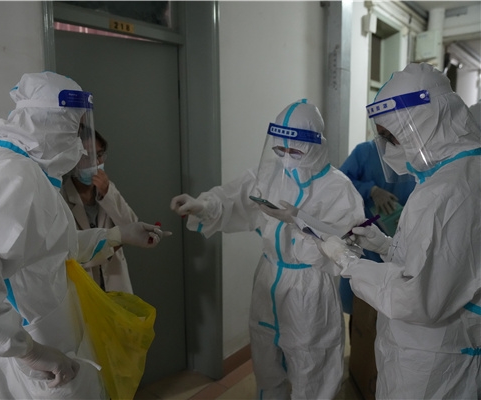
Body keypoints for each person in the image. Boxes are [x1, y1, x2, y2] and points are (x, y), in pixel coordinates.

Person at [0, 71, 170, 399]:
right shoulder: (18, 178)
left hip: (26, 349)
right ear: (52, 123)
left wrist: (115, 235)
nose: (78, 143)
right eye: (74, 128)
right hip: (34, 363)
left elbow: (49, 248)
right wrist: (30, 353)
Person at [170, 100, 364, 399]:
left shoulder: (337, 188)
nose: (286, 158)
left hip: (309, 288)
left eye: (295, 151)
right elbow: (234, 198)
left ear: (315, 146)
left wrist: (299, 221)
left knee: (311, 368)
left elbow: (345, 248)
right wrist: (203, 205)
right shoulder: (269, 174)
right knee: (265, 363)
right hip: (269, 278)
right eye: (279, 149)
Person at [317, 62, 481, 399]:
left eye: (392, 136)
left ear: (424, 122)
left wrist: (350, 264)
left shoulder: (450, 190)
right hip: (420, 350)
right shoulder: (446, 173)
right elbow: (434, 261)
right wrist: (385, 245)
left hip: (433, 363)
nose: (388, 147)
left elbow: (418, 298)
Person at [338, 139, 415, 314]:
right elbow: (341, 182)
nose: (386, 137)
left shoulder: (417, 155)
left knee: (398, 303)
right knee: (365, 308)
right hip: (368, 242)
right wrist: (371, 190)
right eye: (382, 133)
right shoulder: (365, 152)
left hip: (406, 242)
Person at [61, 130, 138, 293]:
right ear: (73, 160)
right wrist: (110, 245)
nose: (96, 162)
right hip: (83, 291)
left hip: (116, 286)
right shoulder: (61, 197)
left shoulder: (108, 189)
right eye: (88, 157)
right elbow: (70, 255)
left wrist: (107, 193)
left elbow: (133, 227)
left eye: (100, 155)